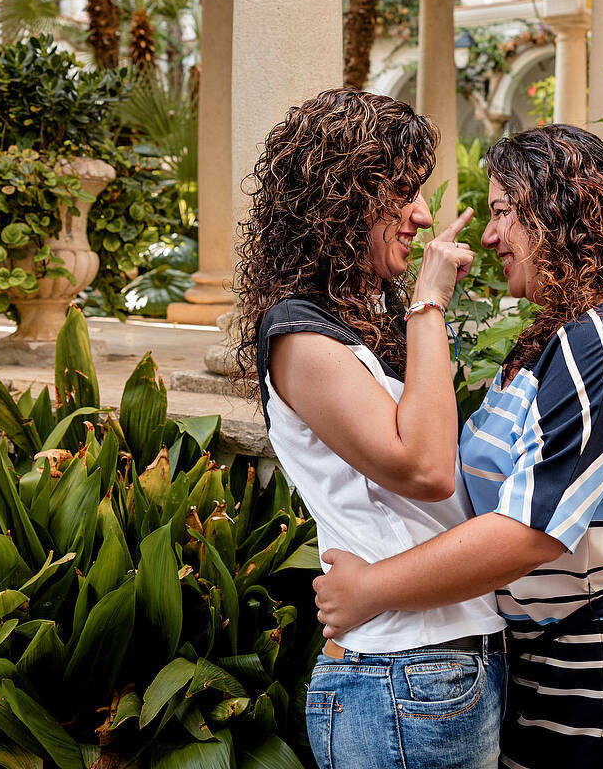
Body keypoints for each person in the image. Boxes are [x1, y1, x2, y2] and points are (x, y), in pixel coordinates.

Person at [313, 123, 603, 768]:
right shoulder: (558, 338)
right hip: (554, 660)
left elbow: (531, 530)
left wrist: (373, 590)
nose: (490, 236)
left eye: (503, 212)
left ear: (558, 211)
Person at [235, 87, 508, 769]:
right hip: (399, 675)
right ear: (342, 197)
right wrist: (427, 302)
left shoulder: (361, 326)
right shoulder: (298, 335)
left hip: (440, 667)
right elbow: (424, 467)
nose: (420, 214)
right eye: (404, 192)